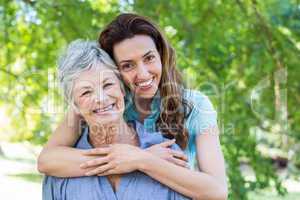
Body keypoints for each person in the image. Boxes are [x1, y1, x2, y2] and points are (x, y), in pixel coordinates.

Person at [38, 13, 227, 200]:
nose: (143, 74)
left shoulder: (196, 106)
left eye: (149, 58)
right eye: (128, 65)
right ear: (115, 71)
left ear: (161, 55)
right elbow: (47, 160)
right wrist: (126, 159)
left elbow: (217, 191)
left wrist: (141, 159)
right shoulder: (107, 103)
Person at [43, 40, 190, 200]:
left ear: (122, 89)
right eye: (86, 92)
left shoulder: (167, 154)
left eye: (107, 85)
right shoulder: (59, 171)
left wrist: (141, 158)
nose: (101, 98)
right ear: (75, 107)